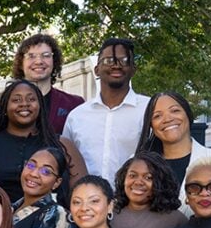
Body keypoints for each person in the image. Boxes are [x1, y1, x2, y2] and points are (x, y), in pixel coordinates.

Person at [135, 91, 211, 218]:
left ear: (188, 115)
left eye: (175, 111)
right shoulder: (139, 165)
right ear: (151, 125)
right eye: (157, 116)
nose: (167, 119)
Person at [0, 79, 87, 204]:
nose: (24, 104)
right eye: (16, 100)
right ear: (5, 106)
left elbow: (83, 193)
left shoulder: (63, 145)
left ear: (40, 106)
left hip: (52, 221)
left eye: (31, 99)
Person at [62, 38, 151, 178]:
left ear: (133, 69)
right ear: (96, 70)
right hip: (86, 197)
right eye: (108, 60)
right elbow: (66, 161)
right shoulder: (77, 116)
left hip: (134, 197)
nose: (116, 65)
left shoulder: (149, 109)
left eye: (124, 60)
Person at [11, 34, 84, 135]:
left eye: (46, 55)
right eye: (31, 56)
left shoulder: (74, 104)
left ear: (54, 61)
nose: (39, 61)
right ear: (21, 63)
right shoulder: (8, 105)